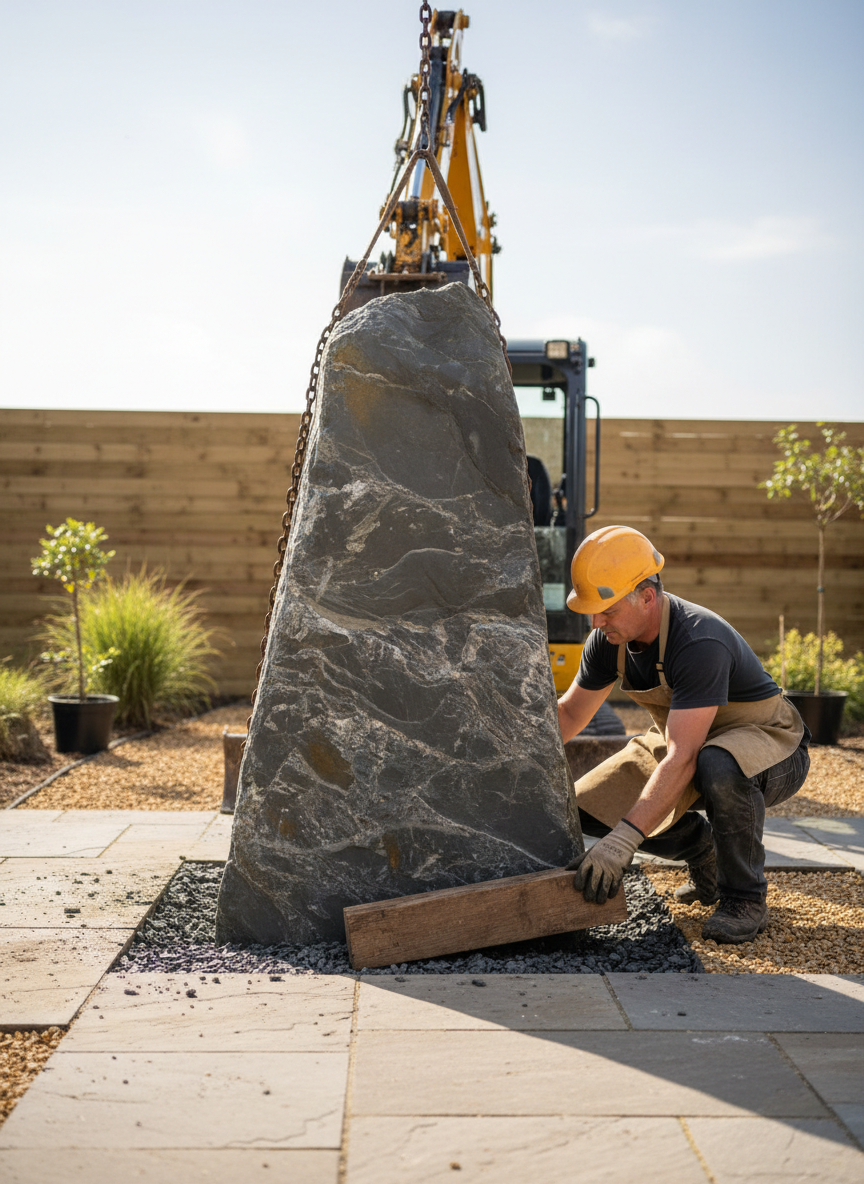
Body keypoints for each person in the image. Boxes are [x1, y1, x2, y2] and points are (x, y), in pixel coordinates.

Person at [558, 524, 811, 944]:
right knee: (587, 808)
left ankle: (743, 897)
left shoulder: (698, 640)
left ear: (647, 596)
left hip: (771, 744)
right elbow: (568, 714)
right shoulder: (608, 639)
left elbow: (683, 758)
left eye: (608, 609)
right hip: (687, 740)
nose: (596, 620)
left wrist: (625, 840)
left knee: (718, 765)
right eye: (590, 609)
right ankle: (703, 849)